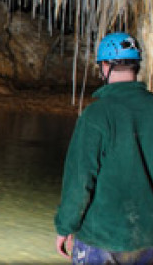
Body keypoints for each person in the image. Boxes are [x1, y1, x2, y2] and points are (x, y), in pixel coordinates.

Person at [55, 32, 153, 264]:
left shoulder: (97, 115)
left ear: (105, 66)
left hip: (101, 238)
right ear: (136, 65)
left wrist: (65, 226)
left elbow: (79, 180)